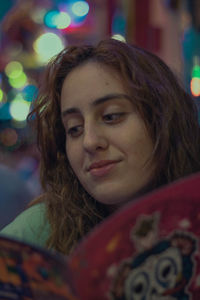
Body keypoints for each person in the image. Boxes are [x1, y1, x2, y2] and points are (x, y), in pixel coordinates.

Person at [1, 38, 200, 255]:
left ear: (164, 120)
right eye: (75, 129)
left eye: (111, 116)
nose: (89, 141)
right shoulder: (37, 234)